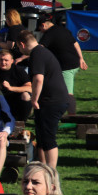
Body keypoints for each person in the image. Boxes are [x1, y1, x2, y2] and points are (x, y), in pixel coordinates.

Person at [19, 30, 67, 169]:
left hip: (52, 101)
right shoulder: (41, 51)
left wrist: (34, 99)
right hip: (50, 100)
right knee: (41, 137)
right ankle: (43, 167)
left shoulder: (37, 54)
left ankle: (51, 171)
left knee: (48, 138)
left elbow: (38, 79)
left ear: (22, 44)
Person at [38, 13, 88, 116]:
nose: (40, 32)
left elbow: (39, 49)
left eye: (39, 29)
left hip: (67, 66)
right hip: (74, 63)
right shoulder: (63, 29)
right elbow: (76, 44)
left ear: (43, 25)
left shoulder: (49, 34)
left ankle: (72, 117)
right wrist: (81, 59)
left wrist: (23, 56)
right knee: (59, 90)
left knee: (68, 93)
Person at [0, 49, 32, 121]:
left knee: (26, 95)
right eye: (0, 60)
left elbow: (30, 88)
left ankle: (21, 122)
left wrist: (11, 88)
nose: (3, 62)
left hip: (16, 98)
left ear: (12, 61)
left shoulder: (19, 70)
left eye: (6, 60)